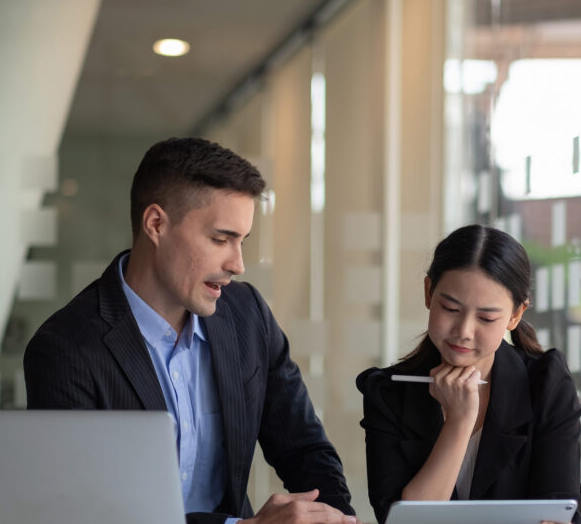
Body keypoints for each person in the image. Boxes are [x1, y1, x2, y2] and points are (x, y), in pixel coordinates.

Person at [24, 137, 356, 524]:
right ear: (156, 224)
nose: (238, 264)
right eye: (220, 239)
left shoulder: (248, 316)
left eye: (241, 241)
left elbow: (305, 449)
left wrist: (339, 520)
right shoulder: (65, 349)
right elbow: (85, 511)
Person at [356, 225, 581, 524]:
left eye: (486, 318)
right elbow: (403, 519)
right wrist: (459, 422)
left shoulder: (546, 385)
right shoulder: (388, 392)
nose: (464, 331)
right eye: (450, 308)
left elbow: (558, 514)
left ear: (515, 315)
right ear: (428, 292)